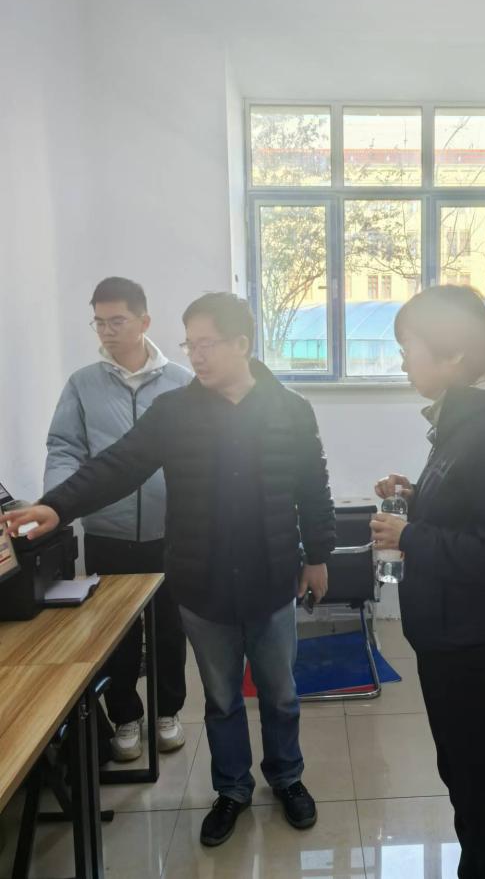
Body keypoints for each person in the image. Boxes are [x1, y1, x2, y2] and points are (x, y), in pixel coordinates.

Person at [2, 292, 336, 848]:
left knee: (280, 694)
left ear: (241, 344)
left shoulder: (289, 410)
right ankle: (231, 789)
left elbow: (313, 487)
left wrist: (319, 556)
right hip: (202, 583)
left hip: (272, 578)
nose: (196, 356)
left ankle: (287, 778)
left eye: (207, 344)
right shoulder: (175, 413)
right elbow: (118, 465)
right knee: (221, 699)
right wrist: (57, 506)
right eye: (190, 344)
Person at [372, 285, 485, 879]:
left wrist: (410, 535)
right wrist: (418, 497)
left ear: (453, 355)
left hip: (479, 653)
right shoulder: (465, 422)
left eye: (409, 347)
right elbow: (474, 510)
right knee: (472, 791)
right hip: (456, 642)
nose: (403, 361)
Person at [45, 276, 191, 761]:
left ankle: (168, 711)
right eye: (99, 322)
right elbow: (64, 448)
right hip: (107, 531)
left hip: (170, 531)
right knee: (117, 632)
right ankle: (126, 716)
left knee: (169, 627)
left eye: (117, 321)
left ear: (143, 321)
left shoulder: (181, 382)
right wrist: (57, 504)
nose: (107, 331)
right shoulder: (82, 384)